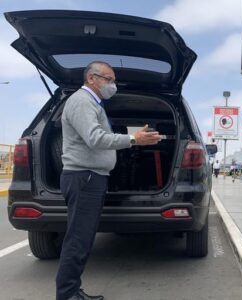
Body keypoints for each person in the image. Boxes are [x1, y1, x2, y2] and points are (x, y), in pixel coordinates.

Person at [56, 61, 161, 300]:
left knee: (82, 239)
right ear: (91, 78)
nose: (113, 85)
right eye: (108, 79)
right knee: (78, 241)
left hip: (91, 177)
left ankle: (72, 291)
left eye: (113, 80)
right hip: (84, 178)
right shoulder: (82, 101)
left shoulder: (93, 103)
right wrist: (133, 139)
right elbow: (95, 138)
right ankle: (67, 295)